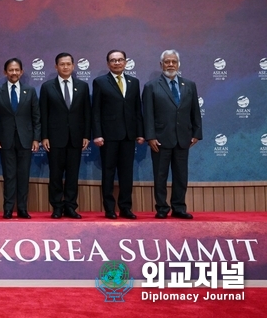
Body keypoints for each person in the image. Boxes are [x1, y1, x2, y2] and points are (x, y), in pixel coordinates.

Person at [142, 49, 202, 219]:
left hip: (183, 138)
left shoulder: (189, 85)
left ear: (178, 64)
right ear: (161, 65)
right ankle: (161, 208)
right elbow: (148, 114)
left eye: (173, 62)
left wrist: (197, 132)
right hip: (160, 139)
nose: (170, 64)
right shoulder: (151, 86)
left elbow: (195, 111)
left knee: (181, 176)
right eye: (167, 61)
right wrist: (150, 136)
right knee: (160, 176)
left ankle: (179, 208)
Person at [92, 50, 144, 220]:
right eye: (113, 60)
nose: (117, 63)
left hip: (129, 136)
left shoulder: (134, 82)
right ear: (108, 64)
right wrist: (98, 134)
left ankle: (125, 208)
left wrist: (140, 133)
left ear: (125, 62)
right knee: (108, 173)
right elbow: (96, 111)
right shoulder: (100, 82)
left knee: (126, 174)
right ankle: (109, 209)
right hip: (108, 136)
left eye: (120, 60)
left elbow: (137, 110)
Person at [40, 52, 91, 219]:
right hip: (54, 138)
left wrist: (86, 135)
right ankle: (56, 207)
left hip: (76, 138)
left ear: (73, 66)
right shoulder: (47, 87)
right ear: (56, 67)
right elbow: (44, 114)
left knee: (72, 174)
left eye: (68, 64)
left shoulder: (82, 86)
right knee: (55, 174)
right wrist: (44, 136)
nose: (65, 67)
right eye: (62, 64)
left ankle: (70, 206)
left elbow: (86, 113)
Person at [0, 58, 40, 219]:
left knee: (23, 174)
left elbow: (36, 117)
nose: (14, 73)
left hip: (26, 139)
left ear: (21, 72)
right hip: (5, 139)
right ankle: (8, 209)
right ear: (5, 72)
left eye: (17, 70)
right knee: (9, 175)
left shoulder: (30, 90)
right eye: (10, 70)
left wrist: (36, 139)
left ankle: (23, 209)